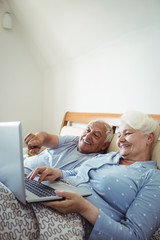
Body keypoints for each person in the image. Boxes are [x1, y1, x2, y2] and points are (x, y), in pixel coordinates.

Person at [27, 110, 160, 240]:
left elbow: (136, 235)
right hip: (52, 194)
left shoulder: (152, 177)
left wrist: (83, 207)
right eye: (119, 135)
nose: (120, 140)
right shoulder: (109, 157)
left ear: (149, 138)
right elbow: (78, 172)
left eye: (128, 133)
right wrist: (58, 173)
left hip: (77, 220)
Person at [24, 120, 114, 171]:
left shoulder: (94, 161)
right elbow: (46, 137)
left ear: (104, 145)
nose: (88, 135)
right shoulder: (74, 140)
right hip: (21, 166)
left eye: (96, 135)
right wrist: (38, 139)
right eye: (87, 130)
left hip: (31, 180)